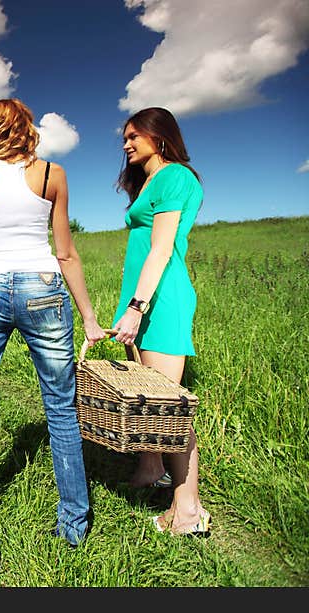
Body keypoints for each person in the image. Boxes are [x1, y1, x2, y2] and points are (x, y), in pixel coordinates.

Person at [0, 98, 106, 545]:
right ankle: (74, 527)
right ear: (26, 128)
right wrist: (89, 318)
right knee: (61, 408)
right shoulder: (53, 173)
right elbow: (66, 252)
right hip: (44, 290)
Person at [111, 106, 210, 536]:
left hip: (159, 301)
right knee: (147, 399)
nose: (127, 143)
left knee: (169, 410)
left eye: (135, 135)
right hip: (141, 299)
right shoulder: (150, 181)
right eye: (125, 137)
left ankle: (188, 511)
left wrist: (137, 307)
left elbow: (162, 247)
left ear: (160, 137)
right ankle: (151, 469)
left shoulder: (174, 176)